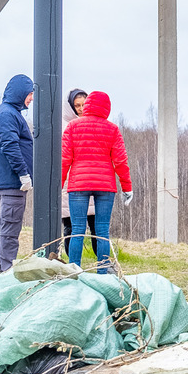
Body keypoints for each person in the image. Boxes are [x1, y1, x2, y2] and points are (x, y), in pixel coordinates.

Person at [61, 91, 133, 273]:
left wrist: (59, 184)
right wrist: (127, 188)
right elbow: (121, 162)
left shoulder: (72, 127)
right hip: (105, 186)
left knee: (77, 229)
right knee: (102, 230)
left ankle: (74, 271)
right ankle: (103, 273)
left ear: (88, 105)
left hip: (78, 184)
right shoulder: (113, 129)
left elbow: (64, 159)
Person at [0, 74, 34, 272]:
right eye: (30, 94)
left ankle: (3, 268)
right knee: (10, 229)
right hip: (12, 183)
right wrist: (23, 174)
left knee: (8, 228)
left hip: (11, 183)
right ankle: (6, 271)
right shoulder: (7, 114)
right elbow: (10, 146)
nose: (31, 98)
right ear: (20, 93)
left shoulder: (11, 113)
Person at [61, 88, 97, 258]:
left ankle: (102, 261)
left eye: (84, 105)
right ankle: (72, 263)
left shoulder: (95, 123)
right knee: (72, 227)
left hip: (92, 179)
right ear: (70, 106)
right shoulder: (63, 125)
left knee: (96, 226)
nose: (81, 109)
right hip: (71, 181)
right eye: (77, 105)